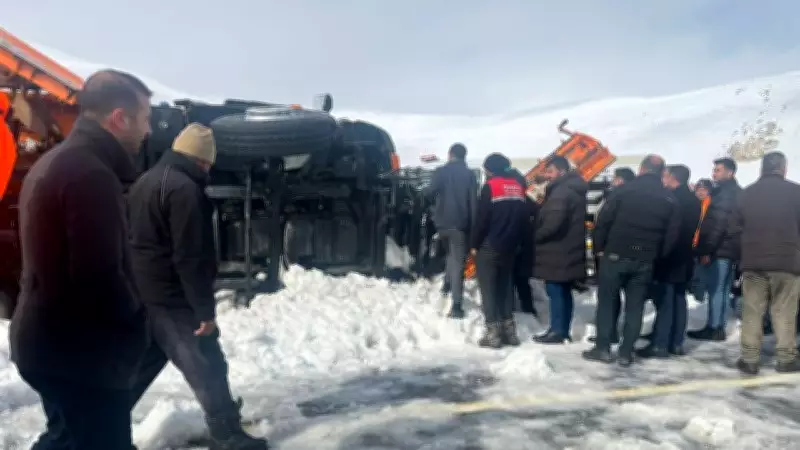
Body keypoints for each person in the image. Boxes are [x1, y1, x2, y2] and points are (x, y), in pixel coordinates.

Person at [10, 70, 152, 449]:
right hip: (81, 356)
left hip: (51, 344)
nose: (148, 130)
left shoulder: (60, 162)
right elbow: (98, 276)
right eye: (145, 117)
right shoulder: (90, 174)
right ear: (119, 118)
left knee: (65, 440)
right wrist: (136, 322)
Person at [128, 124, 268, 449]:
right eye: (207, 163)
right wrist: (204, 311)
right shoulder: (184, 189)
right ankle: (227, 435)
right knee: (207, 363)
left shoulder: (145, 182)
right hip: (172, 297)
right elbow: (191, 257)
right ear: (201, 160)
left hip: (143, 291)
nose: (207, 169)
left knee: (141, 365)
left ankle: (104, 430)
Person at [584, 155, 680, 366]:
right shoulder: (669, 199)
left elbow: (603, 222)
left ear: (641, 169)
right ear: (662, 172)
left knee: (607, 303)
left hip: (615, 254)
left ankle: (603, 348)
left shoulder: (622, 191)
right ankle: (626, 352)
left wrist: (599, 249)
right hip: (645, 259)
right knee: (635, 307)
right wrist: (657, 255)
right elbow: (672, 235)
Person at [730, 152, 800, 375]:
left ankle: (749, 359)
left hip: (753, 262)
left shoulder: (746, 194)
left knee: (752, 311)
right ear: (783, 168)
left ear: (762, 169)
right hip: (788, 262)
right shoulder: (796, 192)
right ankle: (786, 359)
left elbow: (732, 228)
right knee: (784, 311)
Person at [638, 165, 701, 358]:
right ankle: (676, 342)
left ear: (672, 178)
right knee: (679, 299)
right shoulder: (694, 200)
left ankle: (660, 343)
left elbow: (668, 230)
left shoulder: (670, 199)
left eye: (665, 176)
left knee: (666, 299)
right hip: (685, 255)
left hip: (669, 255)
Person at [470, 153, 531, 348]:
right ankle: (510, 332)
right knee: (505, 288)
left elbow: (482, 220)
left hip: (490, 245)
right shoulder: (519, 187)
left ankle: (493, 333)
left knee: (488, 290)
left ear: (490, 169)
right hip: (511, 247)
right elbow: (524, 220)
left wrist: (474, 244)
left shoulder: (491, 187)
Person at [532, 156, 588, 344]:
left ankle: (557, 330)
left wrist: (533, 237)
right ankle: (562, 329)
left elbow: (552, 224)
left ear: (561, 171)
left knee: (556, 290)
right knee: (563, 291)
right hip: (568, 249)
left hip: (557, 251)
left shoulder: (561, 192)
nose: (547, 176)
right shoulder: (572, 189)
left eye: (550, 171)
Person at [689, 157, 742, 341]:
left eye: (718, 170)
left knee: (716, 289)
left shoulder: (725, 194)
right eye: (714, 170)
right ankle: (717, 325)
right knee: (723, 288)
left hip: (720, 249)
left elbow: (718, 224)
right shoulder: (734, 191)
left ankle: (714, 327)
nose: (714, 173)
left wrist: (706, 250)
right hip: (729, 248)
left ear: (730, 172)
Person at [425, 143, 479, 319]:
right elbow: (473, 203)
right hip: (460, 225)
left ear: (450, 155)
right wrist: (473, 229)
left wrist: (434, 211)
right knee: (457, 262)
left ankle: (447, 286)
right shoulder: (470, 175)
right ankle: (456, 305)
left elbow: (429, 192)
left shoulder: (441, 171)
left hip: (442, 224)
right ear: (464, 156)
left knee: (450, 255)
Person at [588, 166, 635, 344]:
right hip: (631, 252)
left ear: (620, 180)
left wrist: (599, 249)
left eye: (615, 179)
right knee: (627, 298)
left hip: (611, 252)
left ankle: (607, 335)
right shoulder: (634, 198)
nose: (612, 182)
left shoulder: (616, 196)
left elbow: (603, 224)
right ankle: (621, 337)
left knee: (609, 296)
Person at [508, 166, 538, 316]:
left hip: (511, 245)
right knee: (523, 281)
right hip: (526, 246)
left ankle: (510, 308)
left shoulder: (509, 200)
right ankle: (528, 309)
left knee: (508, 280)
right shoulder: (528, 201)